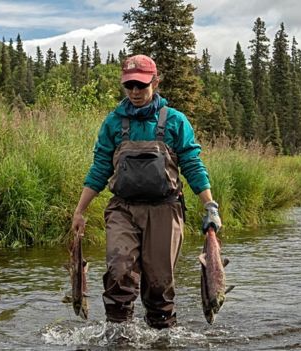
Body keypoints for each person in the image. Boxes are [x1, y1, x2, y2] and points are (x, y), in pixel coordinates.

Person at [70, 54, 222, 329]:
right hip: (122, 210)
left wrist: (210, 206)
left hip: (166, 209)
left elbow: (192, 164)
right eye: (129, 86)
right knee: (118, 273)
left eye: (141, 85)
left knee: (159, 285)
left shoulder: (175, 121)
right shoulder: (113, 123)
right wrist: (80, 210)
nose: (135, 92)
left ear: (155, 81)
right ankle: (119, 337)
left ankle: (162, 338)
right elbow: (100, 169)